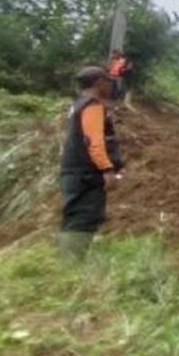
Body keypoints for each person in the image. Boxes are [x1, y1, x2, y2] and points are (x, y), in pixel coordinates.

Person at [57, 65, 124, 260]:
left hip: (74, 171)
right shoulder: (92, 106)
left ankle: (69, 260)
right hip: (86, 173)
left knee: (75, 215)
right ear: (98, 83)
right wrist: (107, 169)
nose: (110, 86)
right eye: (107, 82)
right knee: (84, 216)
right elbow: (94, 141)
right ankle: (72, 264)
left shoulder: (78, 104)